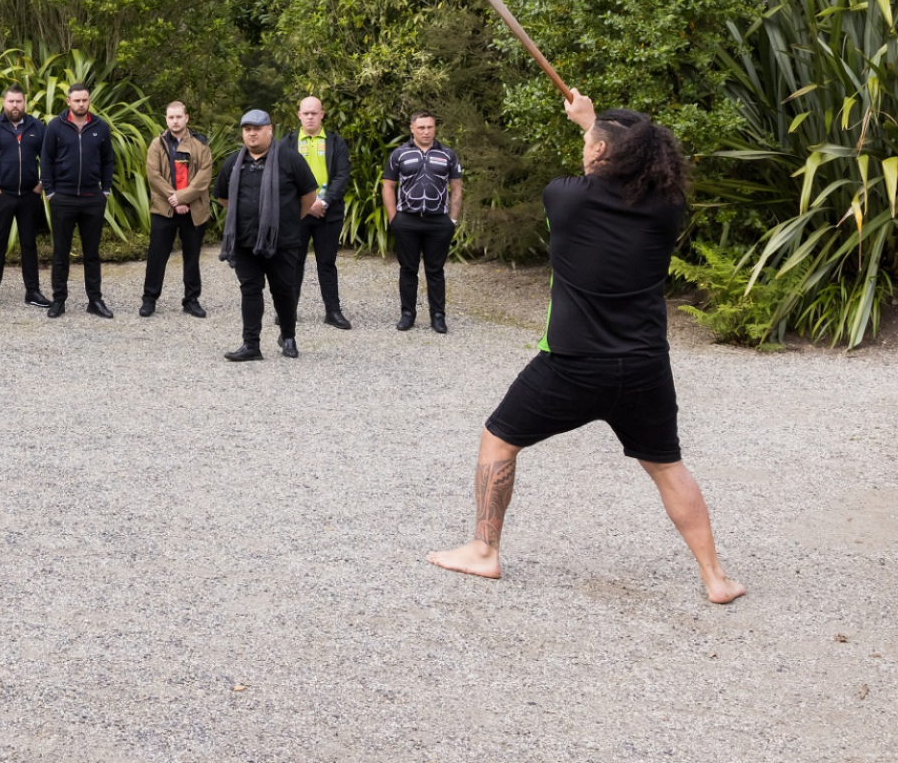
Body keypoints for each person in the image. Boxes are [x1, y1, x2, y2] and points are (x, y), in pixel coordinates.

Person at [428, 92, 746, 605]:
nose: (585, 149)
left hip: (573, 364)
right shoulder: (667, 207)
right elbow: (620, 165)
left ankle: (484, 551)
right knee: (668, 466)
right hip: (644, 365)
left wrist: (592, 124)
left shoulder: (566, 197)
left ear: (602, 153)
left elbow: (593, 170)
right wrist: (596, 124)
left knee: (497, 439)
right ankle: (716, 578)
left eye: (592, 145)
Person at [213, 110, 318, 361]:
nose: (252, 132)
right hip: (244, 240)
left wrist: (287, 221)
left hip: (282, 241)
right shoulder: (233, 163)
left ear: (269, 129)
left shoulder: (290, 160)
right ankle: (251, 345)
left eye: (257, 128)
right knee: (250, 290)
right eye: (247, 128)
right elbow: (223, 197)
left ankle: (289, 337)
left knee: (283, 290)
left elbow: (309, 198)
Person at [382, 110, 464, 333]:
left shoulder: (448, 154)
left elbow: (456, 187)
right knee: (408, 269)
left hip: (438, 221)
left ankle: (438, 316)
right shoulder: (399, 154)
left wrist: (452, 220)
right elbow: (388, 186)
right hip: (407, 220)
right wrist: (394, 219)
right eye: (421, 128)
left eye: (430, 127)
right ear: (412, 128)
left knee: (435, 270)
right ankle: (407, 314)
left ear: (435, 128)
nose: (426, 132)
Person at [41, 82, 116, 319]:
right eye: (77, 100)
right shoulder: (55, 126)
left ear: (89, 100)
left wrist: (105, 190)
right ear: (68, 102)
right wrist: (51, 192)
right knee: (61, 253)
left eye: (85, 100)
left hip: (93, 199)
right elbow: (46, 159)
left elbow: (108, 161)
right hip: (63, 198)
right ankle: (58, 301)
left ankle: (95, 300)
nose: (81, 104)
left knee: (92, 253)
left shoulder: (100, 127)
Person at [279, 96, 353, 330]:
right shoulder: (287, 143)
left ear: (322, 114)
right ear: (299, 115)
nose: (310, 116)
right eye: (306, 113)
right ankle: (287, 311)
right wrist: (306, 203)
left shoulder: (336, 143)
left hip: (328, 213)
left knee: (327, 263)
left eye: (314, 112)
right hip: (296, 214)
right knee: (293, 263)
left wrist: (324, 202)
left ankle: (333, 312)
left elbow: (342, 176)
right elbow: (280, 176)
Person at [0, 86, 48, 309]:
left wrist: (40, 185)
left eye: (19, 101)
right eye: (11, 102)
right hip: (2, 195)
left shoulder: (37, 127)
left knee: (29, 244)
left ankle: (33, 292)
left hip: (29, 195)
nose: (15, 106)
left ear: (24, 103)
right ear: (4, 103)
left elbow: (49, 157)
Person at [141, 100, 214, 319]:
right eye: (171, 117)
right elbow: (153, 175)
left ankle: (191, 300)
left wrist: (183, 198)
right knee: (157, 256)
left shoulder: (201, 145)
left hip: (194, 210)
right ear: (166, 119)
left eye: (178, 117)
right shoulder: (157, 144)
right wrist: (174, 199)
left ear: (186, 118)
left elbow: (204, 177)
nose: (175, 121)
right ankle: (149, 299)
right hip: (165, 209)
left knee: (192, 258)